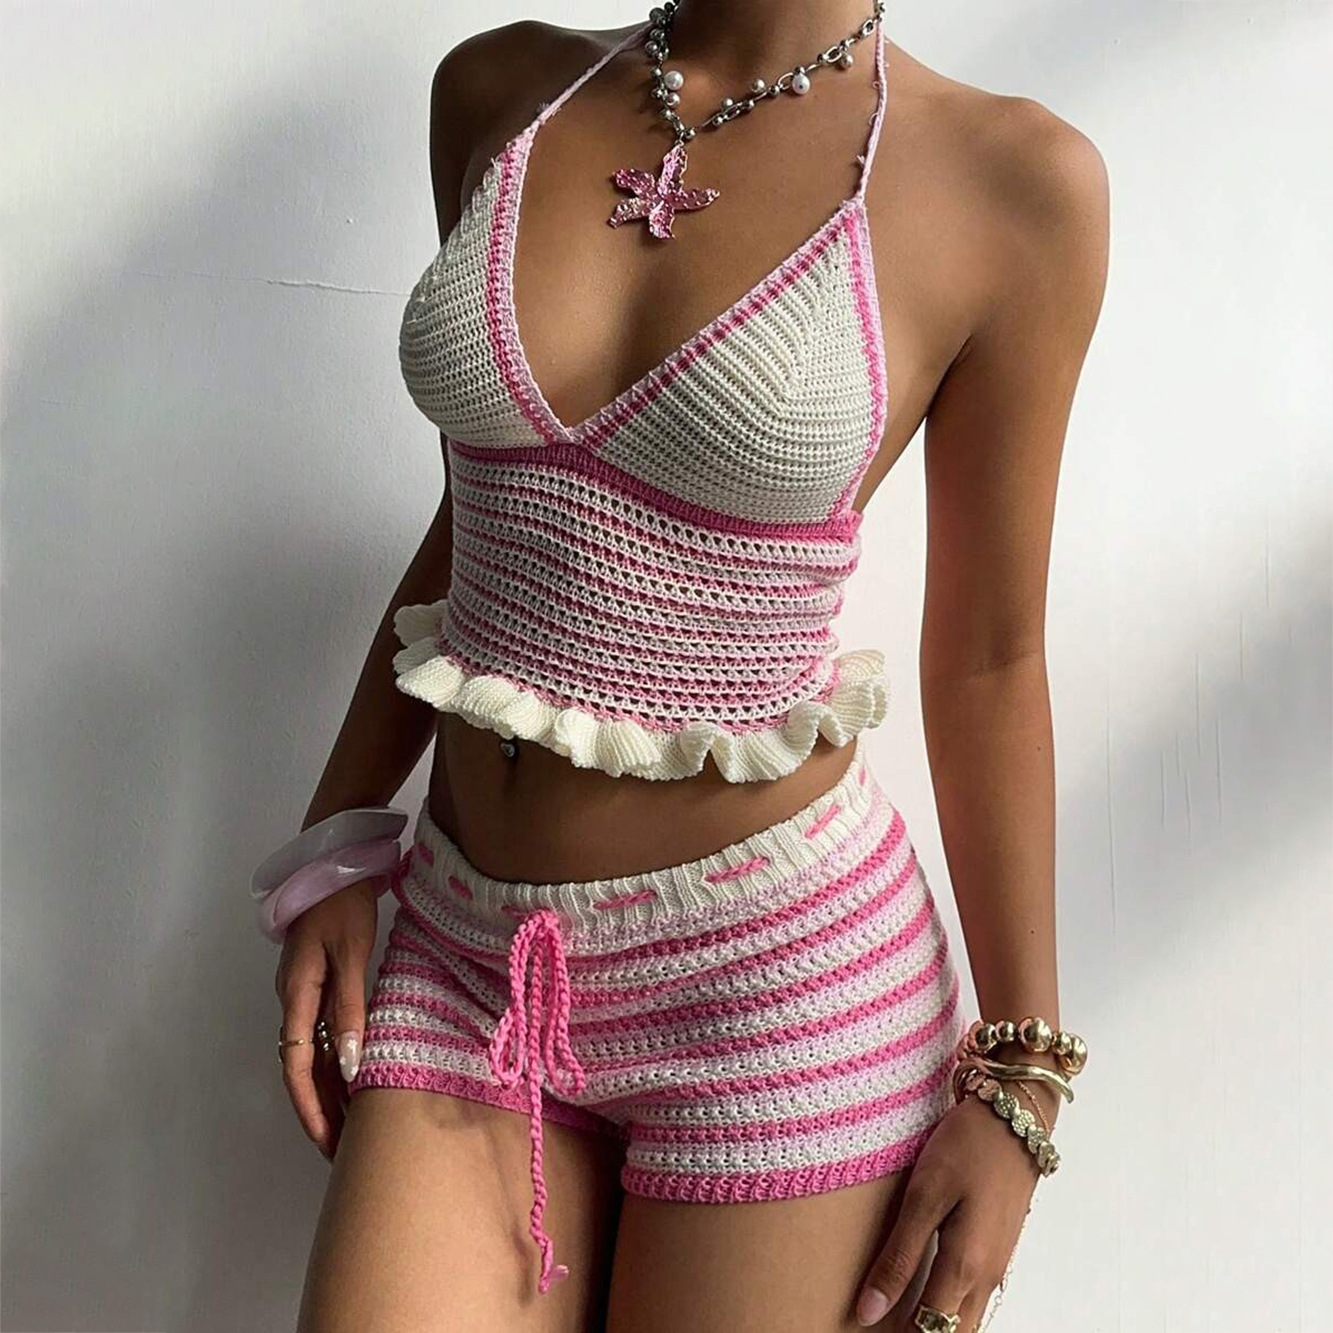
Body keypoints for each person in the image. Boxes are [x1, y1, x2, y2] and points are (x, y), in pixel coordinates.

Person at [268, 3, 1108, 1329]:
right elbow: (485, 518)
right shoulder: (498, 88)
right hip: (468, 946)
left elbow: (990, 660)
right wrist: (341, 835)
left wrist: (1022, 1076)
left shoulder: (1013, 182)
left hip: (779, 987)